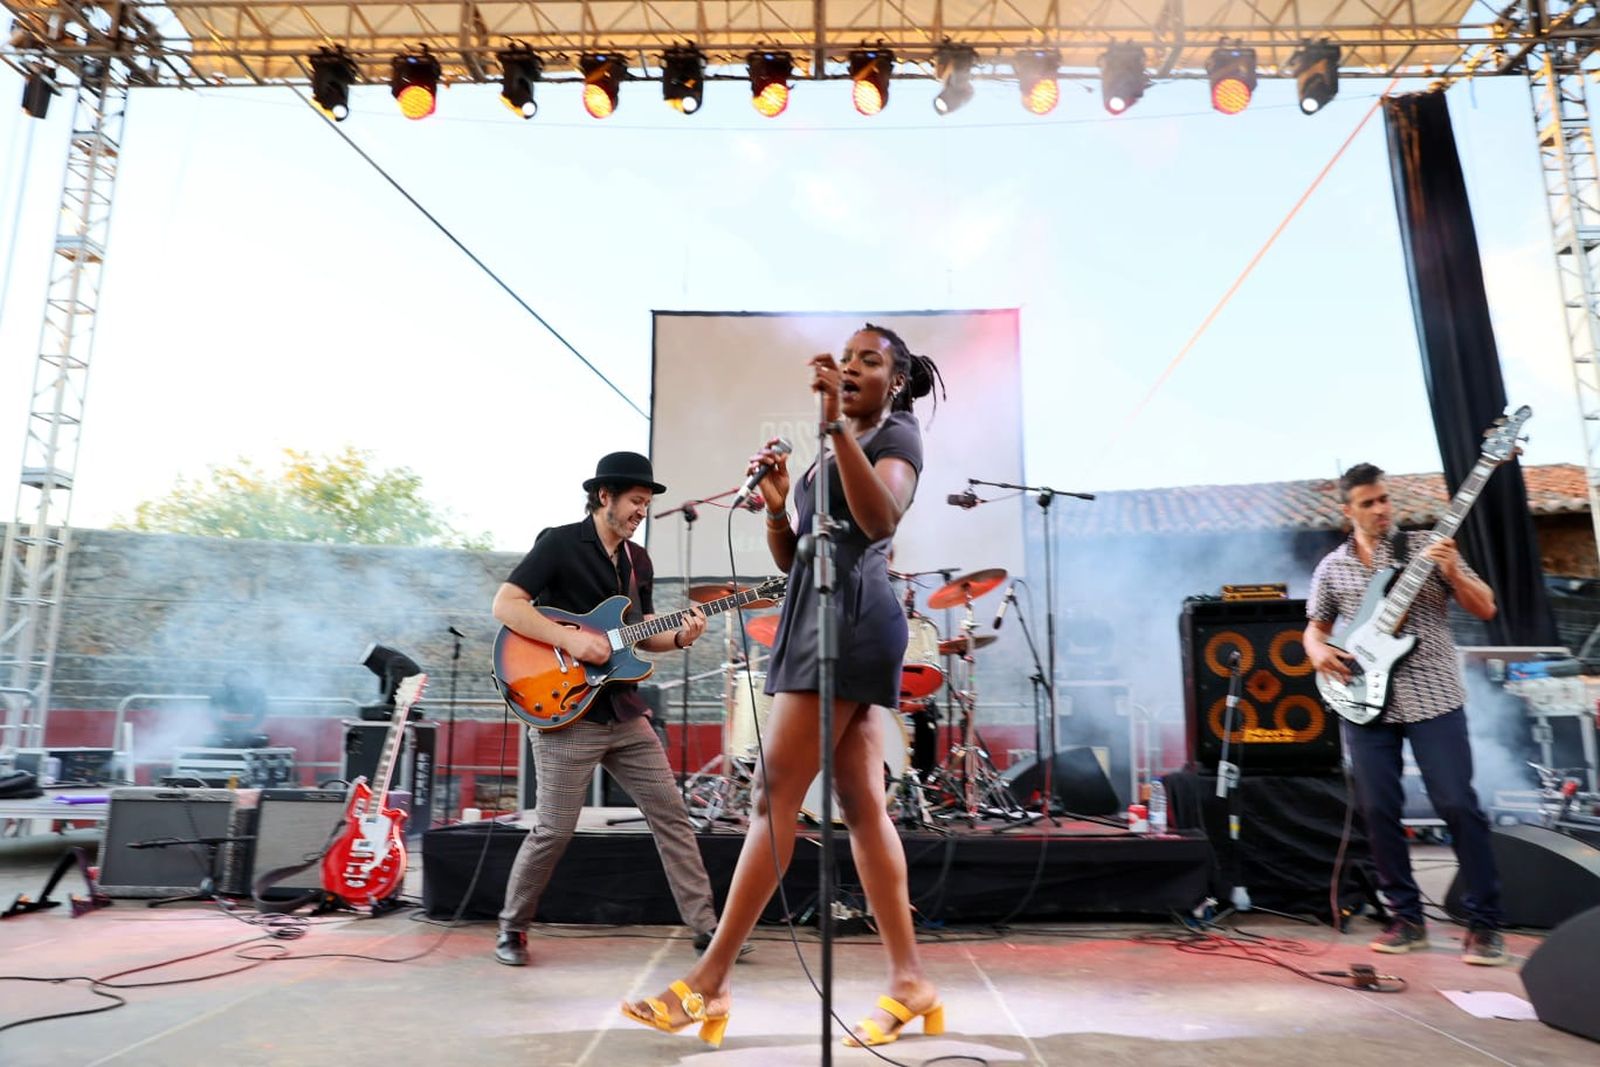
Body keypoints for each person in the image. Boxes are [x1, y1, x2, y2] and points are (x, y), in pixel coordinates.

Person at [622, 325, 946, 1048]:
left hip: (851, 620)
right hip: (813, 612)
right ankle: (910, 981)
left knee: (774, 798)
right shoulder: (829, 451)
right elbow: (798, 552)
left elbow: (878, 518)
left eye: (871, 360)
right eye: (849, 356)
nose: (854, 366)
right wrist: (776, 504)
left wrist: (833, 430)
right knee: (863, 806)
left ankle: (709, 981)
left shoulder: (895, 435)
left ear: (894, 380)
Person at [491, 451, 727, 967]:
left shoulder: (637, 561)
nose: (643, 511)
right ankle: (511, 929)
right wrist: (570, 643)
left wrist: (681, 636)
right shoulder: (558, 542)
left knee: (673, 816)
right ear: (606, 497)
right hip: (565, 711)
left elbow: (638, 637)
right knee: (553, 829)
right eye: (637, 501)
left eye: (646, 503)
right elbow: (506, 605)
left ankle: (708, 930)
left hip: (622, 711)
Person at [1304, 462, 1507, 965]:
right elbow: (1314, 627)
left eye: (1384, 500)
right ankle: (1406, 918)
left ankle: (1485, 924)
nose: (1380, 510)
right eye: (1368, 503)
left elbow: (1486, 608)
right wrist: (1318, 653)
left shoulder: (1428, 548)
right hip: (1365, 699)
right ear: (1347, 509)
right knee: (1378, 810)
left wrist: (1455, 570)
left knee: (1457, 803)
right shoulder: (1334, 567)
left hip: (1432, 693)